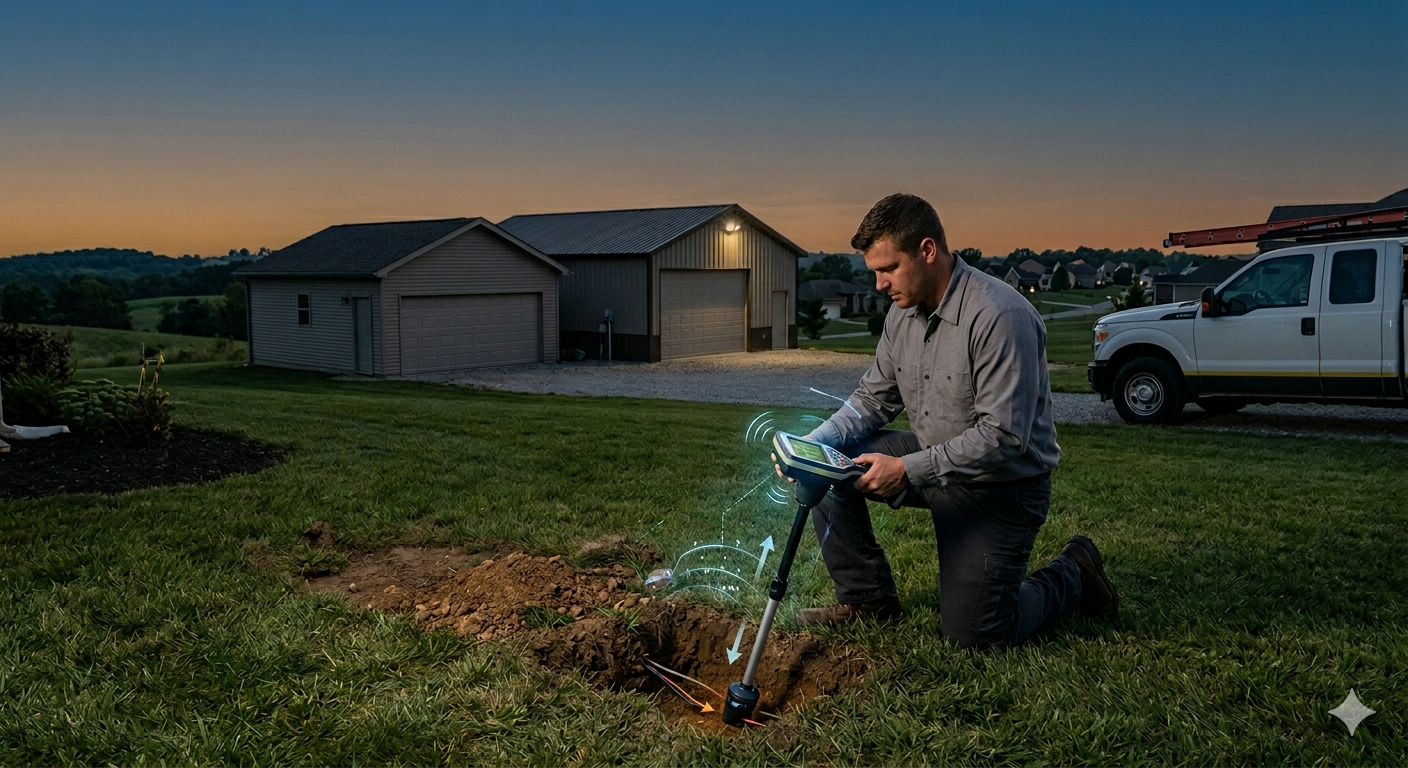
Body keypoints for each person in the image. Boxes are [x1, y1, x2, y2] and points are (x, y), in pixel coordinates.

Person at [789, 193, 1117, 649]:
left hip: (1001, 487)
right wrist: (810, 445)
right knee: (829, 461)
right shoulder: (902, 315)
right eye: (874, 272)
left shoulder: (1000, 316)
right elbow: (871, 400)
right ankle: (868, 599)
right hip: (931, 460)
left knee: (977, 636)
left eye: (889, 269)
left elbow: (1003, 438)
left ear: (927, 250)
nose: (880, 285)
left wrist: (905, 470)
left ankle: (1074, 572)